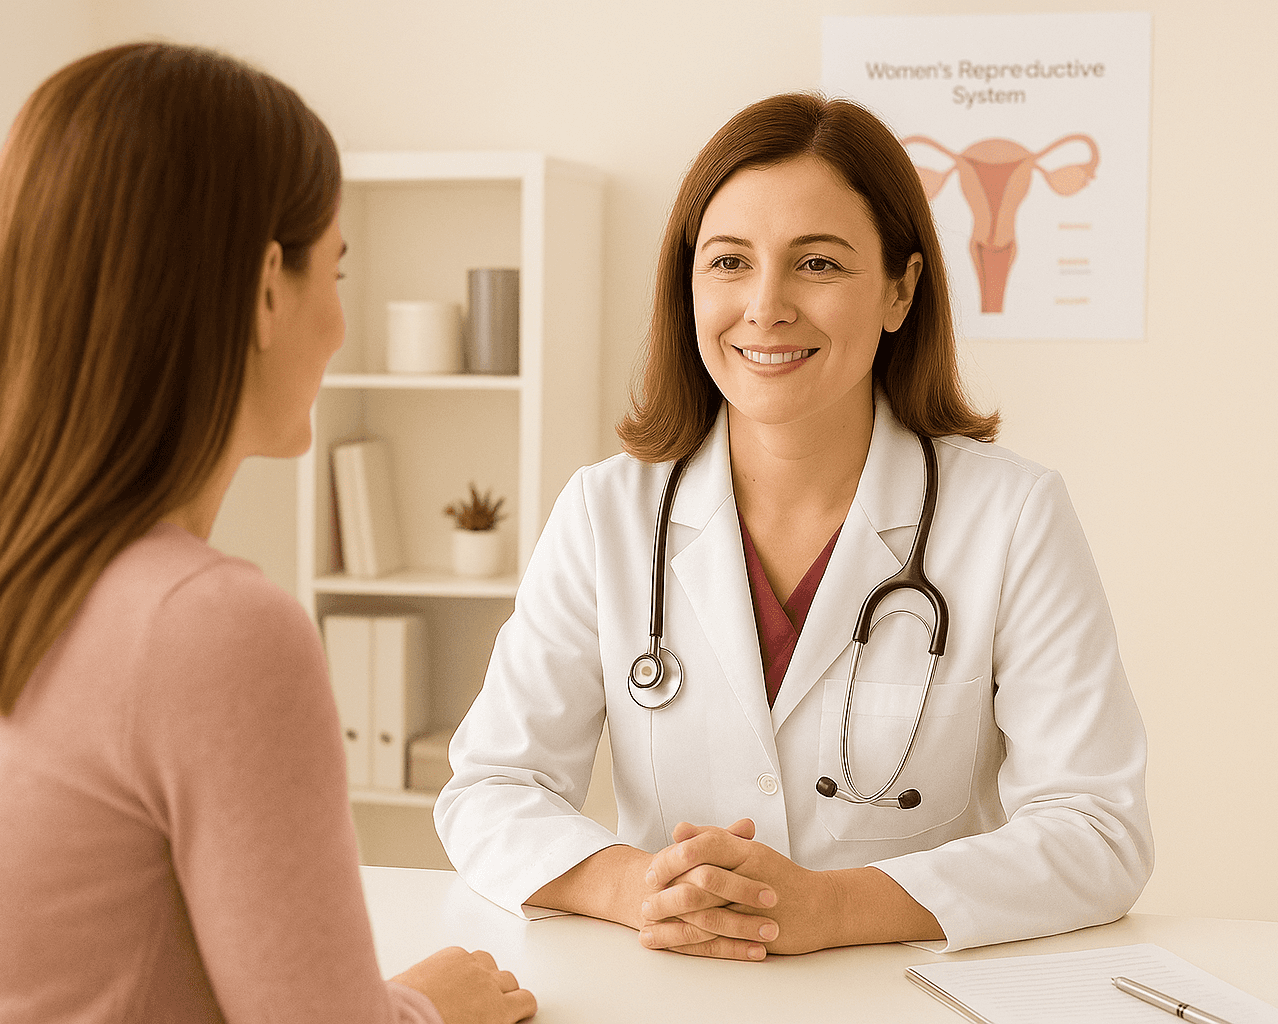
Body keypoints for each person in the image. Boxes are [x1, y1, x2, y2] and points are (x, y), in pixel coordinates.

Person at [0, 43, 534, 1024]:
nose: (339, 324)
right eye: (333, 270)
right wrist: (430, 1008)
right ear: (264, 287)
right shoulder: (209, 626)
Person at [435, 92, 1152, 958]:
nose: (766, 306)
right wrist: (635, 887)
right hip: (676, 998)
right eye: (730, 262)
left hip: (903, 1002)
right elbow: (488, 788)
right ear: (688, 284)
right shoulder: (606, 515)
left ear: (900, 289)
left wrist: (837, 908)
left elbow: (1099, 829)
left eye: (818, 264)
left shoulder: (1010, 517)